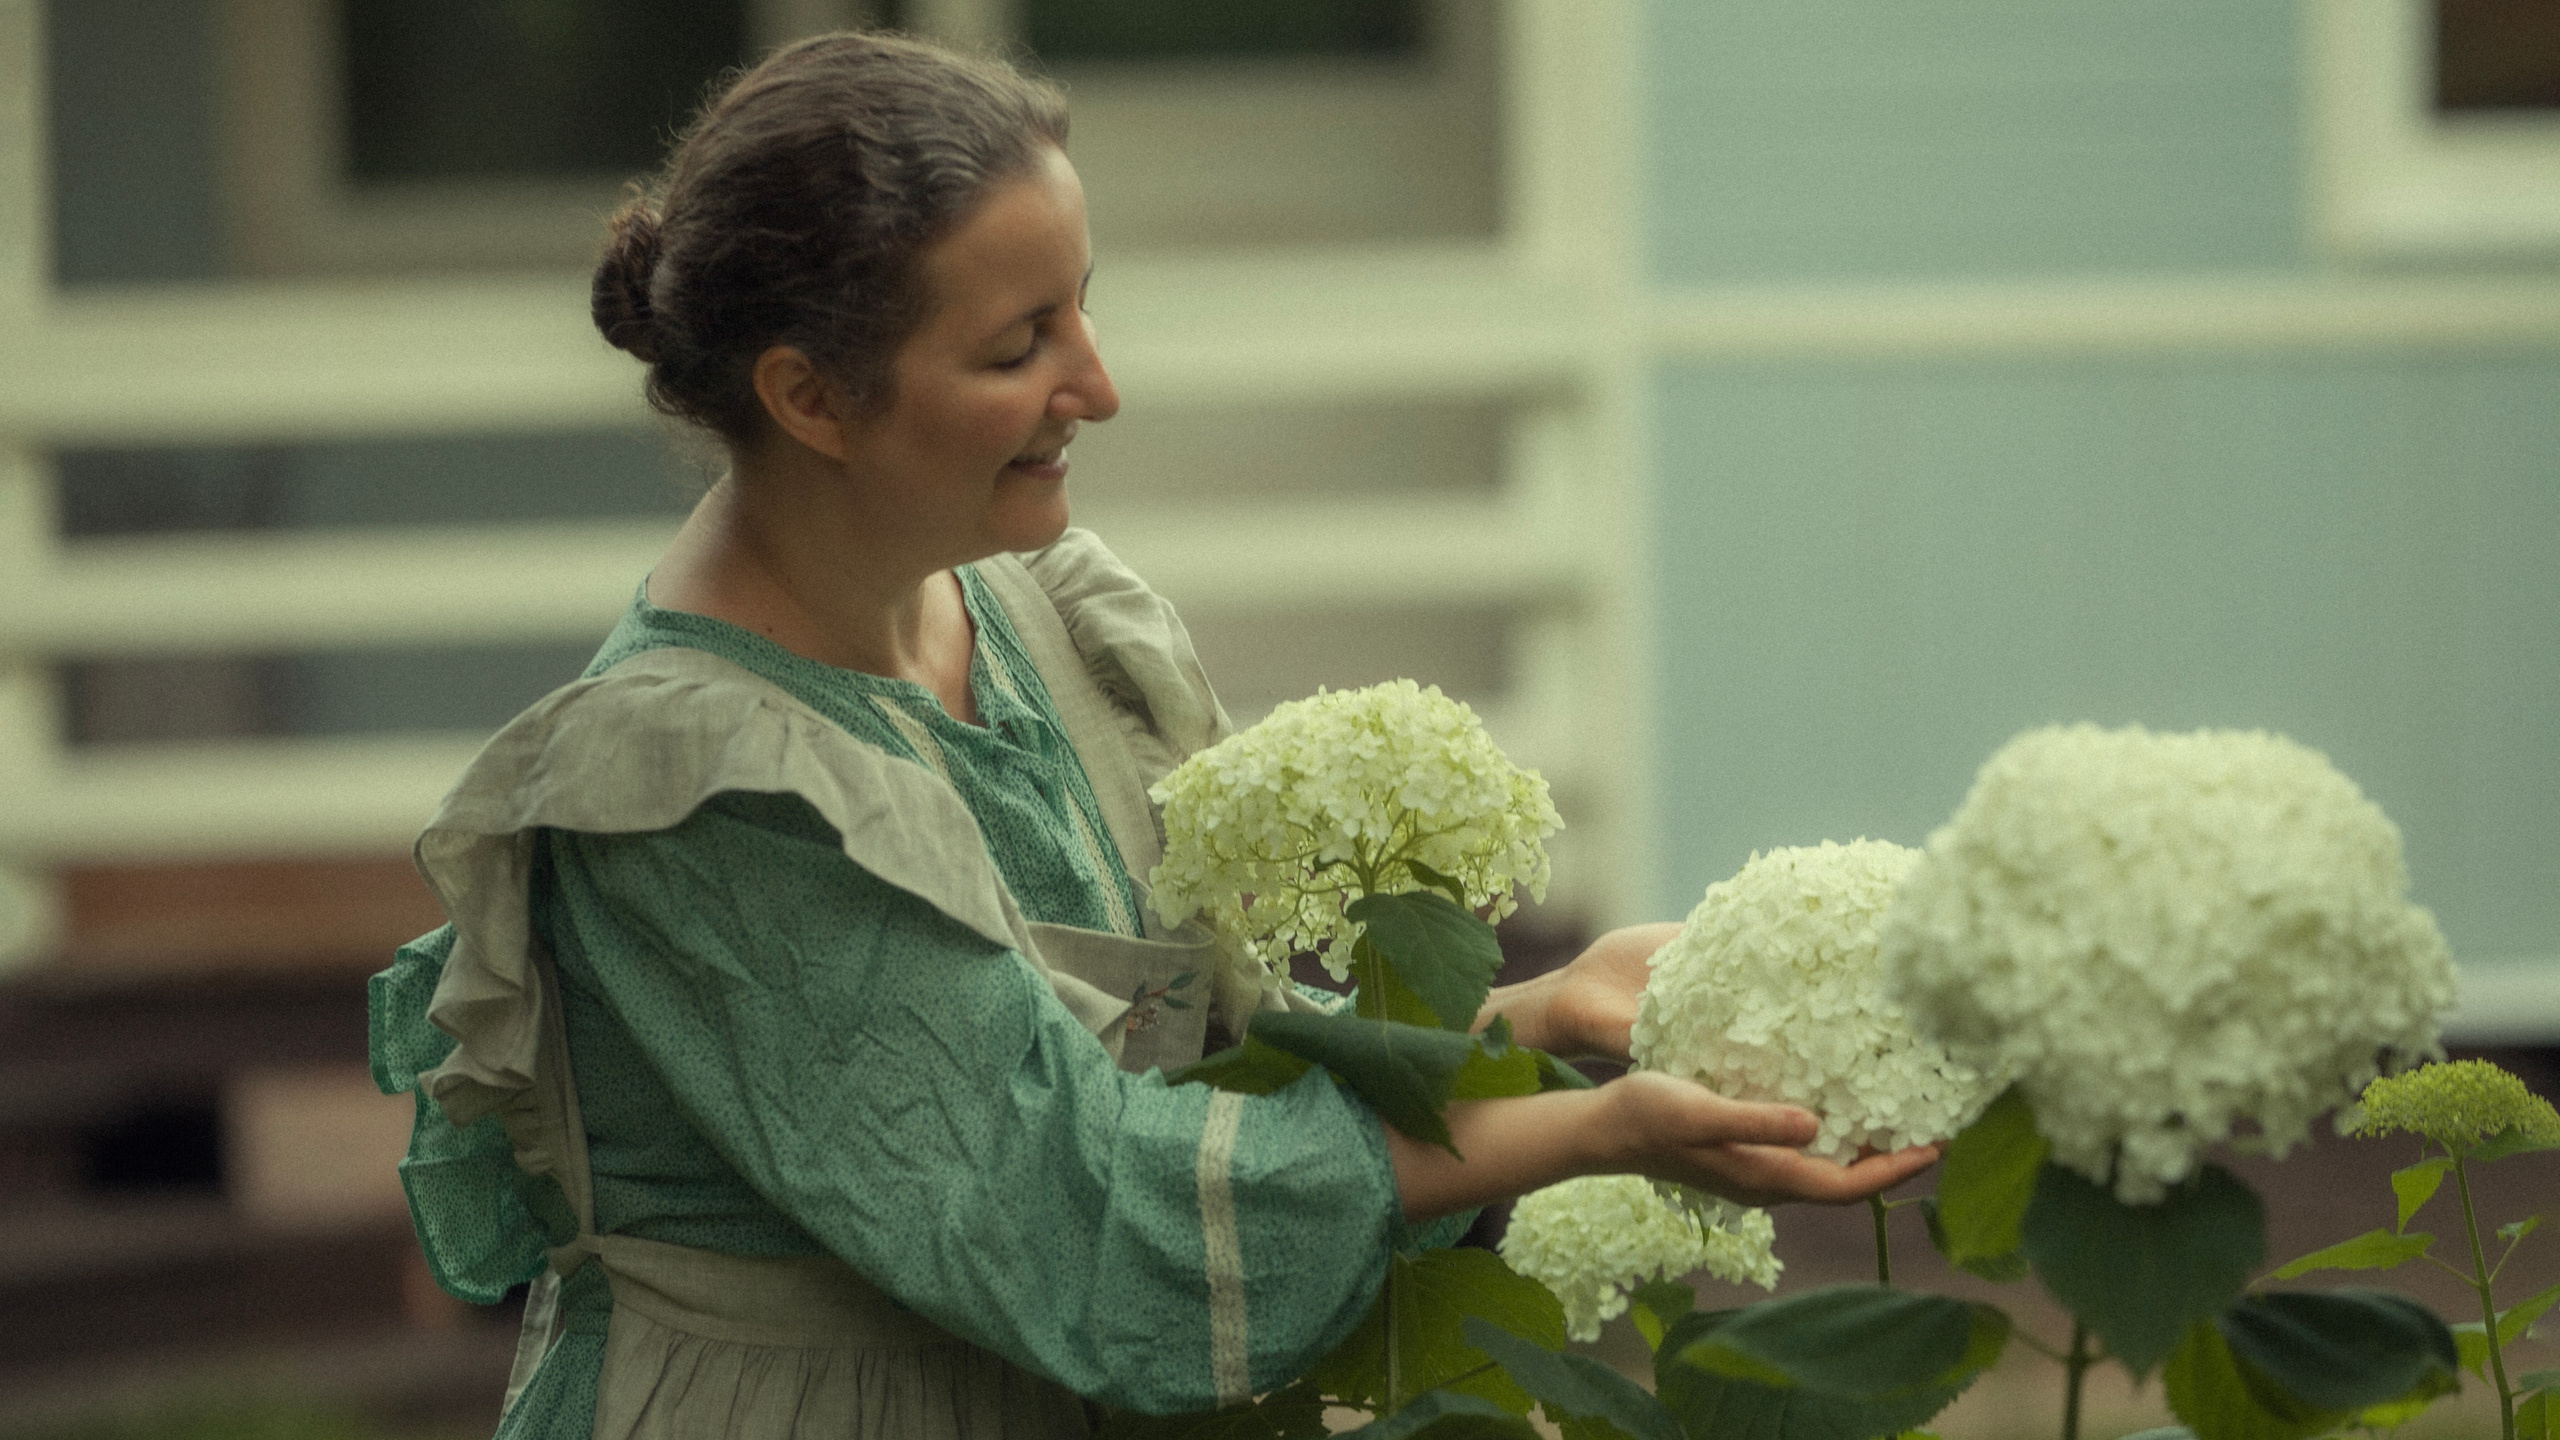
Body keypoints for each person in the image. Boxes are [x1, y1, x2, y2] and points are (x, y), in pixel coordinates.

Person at [368, 30, 1936, 1440]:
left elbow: (1193, 1079)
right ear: (811, 398)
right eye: (1017, 346)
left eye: (1084, 311)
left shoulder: (1039, 616)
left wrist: (1536, 1020)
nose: (1098, 387)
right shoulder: (699, 788)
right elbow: (1094, 1221)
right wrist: (1586, 1131)